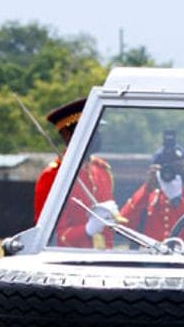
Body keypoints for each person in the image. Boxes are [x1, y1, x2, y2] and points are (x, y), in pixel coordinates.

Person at [34, 97, 120, 248]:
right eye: (90, 130)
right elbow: (46, 236)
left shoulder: (102, 171)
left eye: (97, 130)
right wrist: (86, 230)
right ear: (67, 134)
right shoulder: (53, 176)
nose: (97, 135)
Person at [119, 134, 184, 250]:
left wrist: (178, 202)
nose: (170, 172)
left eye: (177, 167)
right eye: (166, 168)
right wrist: (146, 189)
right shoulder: (148, 198)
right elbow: (123, 224)